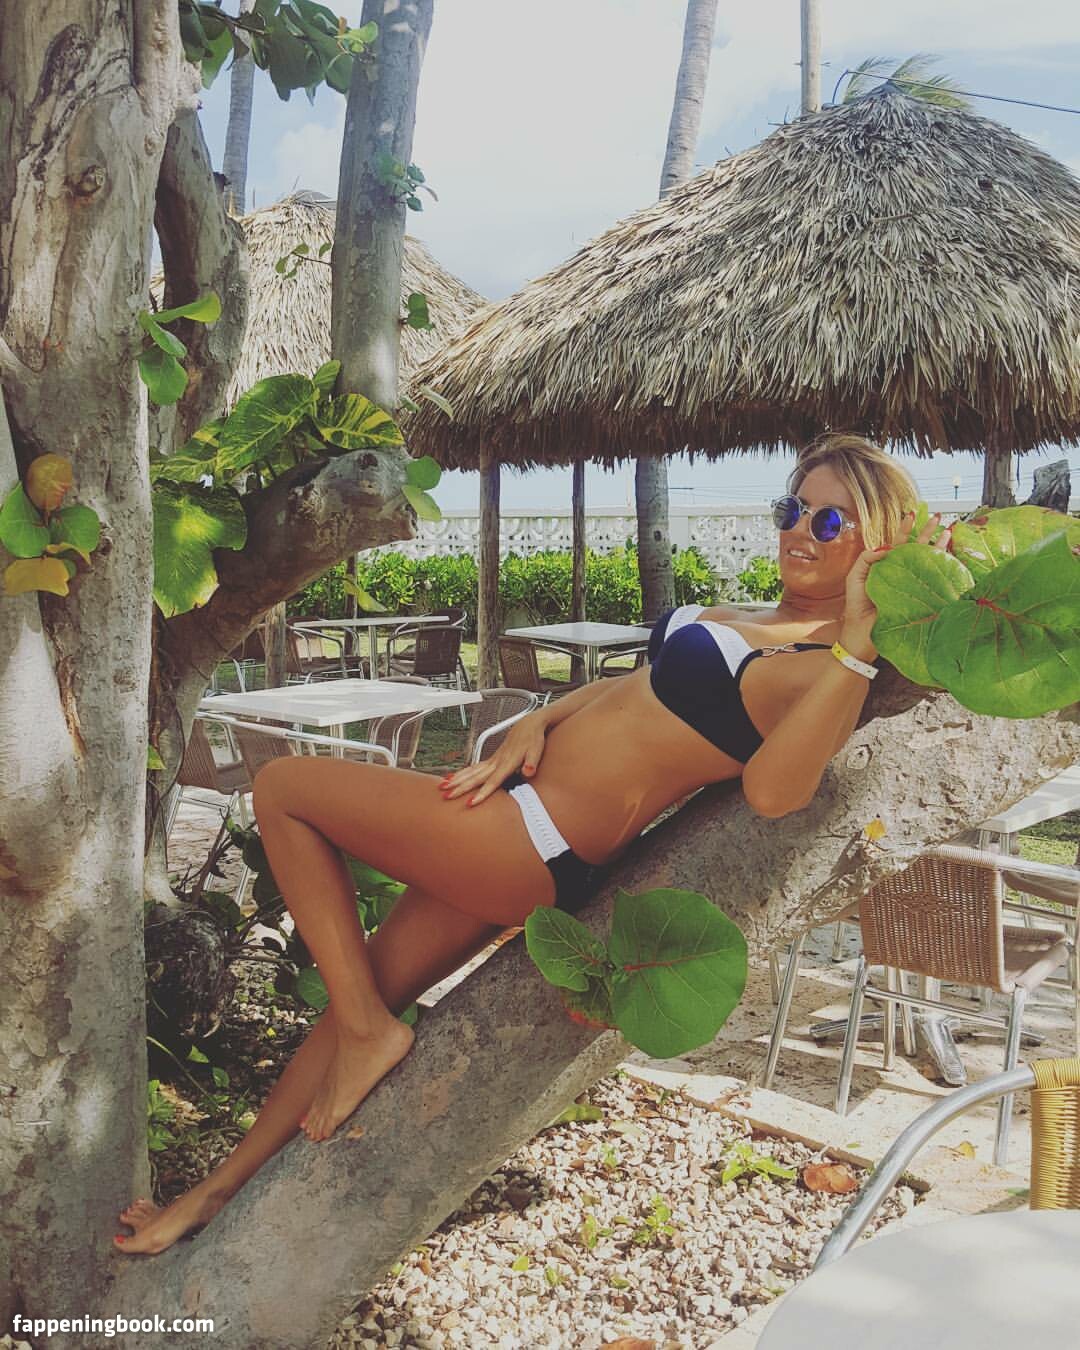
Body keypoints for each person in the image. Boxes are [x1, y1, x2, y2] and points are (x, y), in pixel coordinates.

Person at [115, 433, 948, 1254]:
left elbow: (775, 792)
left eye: (830, 522)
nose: (800, 532)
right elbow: (642, 690)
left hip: (529, 840)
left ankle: (370, 1034)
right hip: (510, 821)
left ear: (874, 543)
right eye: (791, 509)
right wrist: (541, 719)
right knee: (356, 995)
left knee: (284, 789)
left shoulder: (825, 664)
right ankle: (214, 1193)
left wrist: (860, 638)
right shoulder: (757, 616)